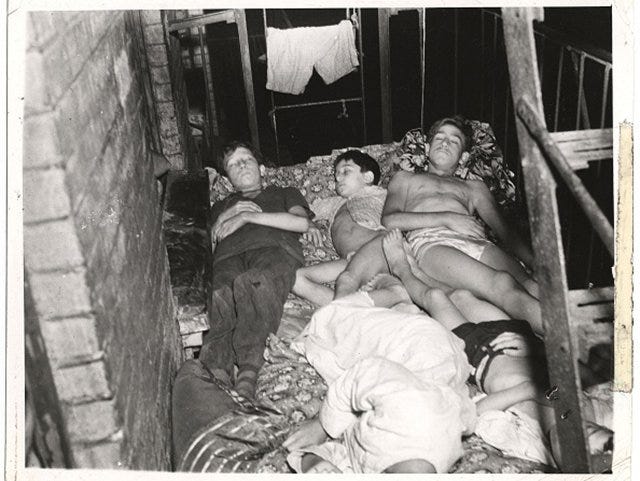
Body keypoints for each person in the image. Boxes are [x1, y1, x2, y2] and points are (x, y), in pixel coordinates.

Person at [381, 229, 612, 467]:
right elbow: (579, 370)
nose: (590, 441)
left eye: (583, 453)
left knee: (435, 298)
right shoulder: (595, 409)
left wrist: (527, 390)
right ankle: (417, 272)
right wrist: (537, 350)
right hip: (515, 340)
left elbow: (474, 413)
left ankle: (402, 269)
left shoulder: (527, 441)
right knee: (461, 296)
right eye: (608, 445)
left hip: (480, 354)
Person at [335, 115, 545, 335]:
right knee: (501, 283)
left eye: (454, 141)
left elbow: (504, 230)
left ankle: (570, 339)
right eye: (439, 138)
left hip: (476, 240)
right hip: (433, 241)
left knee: (530, 285)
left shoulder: (474, 187)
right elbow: (390, 219)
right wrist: (447, 218)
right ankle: (562, 343)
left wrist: (533, 262)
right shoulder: (405, 179)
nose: (445, 143)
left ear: (463, 157)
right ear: (426, 147)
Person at [283, 272, 476, 473]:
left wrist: (313, 462)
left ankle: (399, 309)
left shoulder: (393, 466)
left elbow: (352, 454)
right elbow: (367, 371)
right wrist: (323, 426)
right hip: (422, 343)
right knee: (333, 320)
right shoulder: (415, 410)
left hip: (439, 379)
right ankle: (393, 292)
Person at [199, 141, 314, 399]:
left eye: (246, 159)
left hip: (275, 248)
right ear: (228, 180)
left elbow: (301, 223)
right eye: (233, 164)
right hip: (227, 256)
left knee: (256, 283)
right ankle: (215, 375)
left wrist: (248, 217)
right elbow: (208, 241)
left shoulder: (285, 192)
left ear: (261, 167)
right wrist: (227, 215)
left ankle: (248, 375)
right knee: (219, 295)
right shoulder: (221, 205)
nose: (241, 165)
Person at [293, 150, 387, 306]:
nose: (338, 178)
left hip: (378, 251)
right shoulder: (334, 203)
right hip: (350, 261)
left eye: (346, 172)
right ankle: (354, 308)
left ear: (368, 177)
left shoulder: (381, 194)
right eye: (336, 176)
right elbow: (304, 210)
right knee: (296, 279)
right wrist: (308, 222)